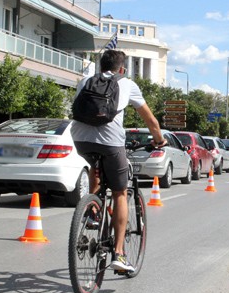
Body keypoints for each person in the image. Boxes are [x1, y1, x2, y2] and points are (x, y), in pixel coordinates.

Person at [71, 49, 166, 273]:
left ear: (100, 66)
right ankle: (120, 254)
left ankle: (92, 211)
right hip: (110, 142)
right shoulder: (127, 84)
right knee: (120, 192)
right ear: (121, 69)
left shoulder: (85, 80)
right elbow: (151, 120)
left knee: (95, 165)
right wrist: (159, 140)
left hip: (80, 139)